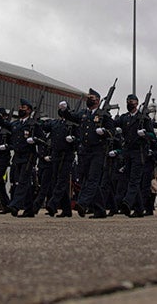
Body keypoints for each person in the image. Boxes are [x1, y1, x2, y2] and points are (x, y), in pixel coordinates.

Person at [59, 88, 115, 219]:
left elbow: (112, 131)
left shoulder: (104, 115)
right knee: (86, 179)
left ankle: (83, 203)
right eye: (88, 97)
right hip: (84, 151)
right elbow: (71, 117)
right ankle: (100, 210)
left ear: (98, 100)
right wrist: (64, 110)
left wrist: (105, 132)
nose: (89, 100)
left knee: (93, 179)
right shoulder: (84, 114)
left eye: (92, 98)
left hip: (98, 151)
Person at [0, 98, 41, 217]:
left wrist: (35, 140)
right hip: (17, 156)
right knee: (19, 182)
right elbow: (3, 123)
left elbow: (43, 140)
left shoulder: (33, 124)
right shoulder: (15, 124)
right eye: (20, 107)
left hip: (29, 156)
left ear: (29, 110)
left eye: (23, 108)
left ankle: (14, 205)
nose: (21, 109)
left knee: (23, 181)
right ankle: (29, 209)